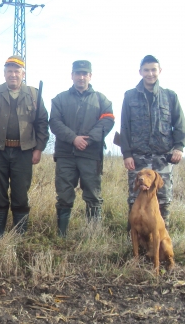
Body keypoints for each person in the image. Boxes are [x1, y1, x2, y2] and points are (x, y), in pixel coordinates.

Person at [0, 55, 49, 240]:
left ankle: (19, 235)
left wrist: (39, 149)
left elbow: (42, 123)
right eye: (9, 71)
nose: (13, 75)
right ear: (4, 73)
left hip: (23, 153)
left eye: (17, 71)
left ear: (22, 74)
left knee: (20, 193)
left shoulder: (34, 94)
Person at [49, 60, 115, 237]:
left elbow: (108, 120)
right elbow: (54, 122)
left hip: (91, 155)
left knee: (93, 195)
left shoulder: (102, 100)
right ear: (72, 76)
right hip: (66, 155)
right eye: (78, 73)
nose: (81, 77)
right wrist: (74, 139)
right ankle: (62, 236)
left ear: (90, 76)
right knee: (63, 195)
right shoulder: (59, 99)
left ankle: (93, 236)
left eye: (85, 73)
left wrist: (90, 139)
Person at [120, 55, 185, 227]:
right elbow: (125, 127)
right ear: (140, 72)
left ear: (160, 71)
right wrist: (127, 154)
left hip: (163, 157)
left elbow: (179, 124)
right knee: (135, 198)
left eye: (153, 70)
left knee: (163, 198)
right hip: (138, 157)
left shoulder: (170, 97)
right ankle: (134, 240)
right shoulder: (130, 96)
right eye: (146, 70)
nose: (150, 74)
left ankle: (162, 240)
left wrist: (179, 147)